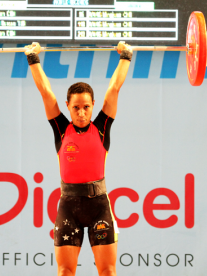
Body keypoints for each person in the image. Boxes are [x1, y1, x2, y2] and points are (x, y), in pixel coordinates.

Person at [25, 42, 132, 276]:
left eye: (86, 107)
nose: (81, 113)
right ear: (68, 107)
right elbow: (46, 92)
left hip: (99, 207)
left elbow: (114, 89)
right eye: (76, 108)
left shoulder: (102, 126)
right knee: (65, 272)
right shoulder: (61, 129)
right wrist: (33, 58)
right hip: (69, 207)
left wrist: (126, 55)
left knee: (107, 272)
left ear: (93, 105)